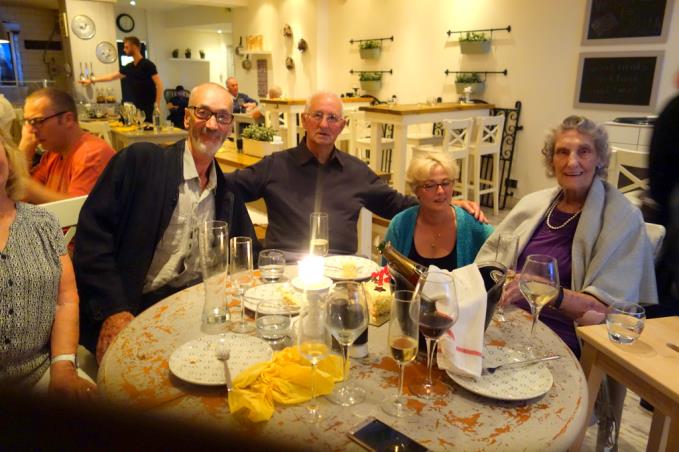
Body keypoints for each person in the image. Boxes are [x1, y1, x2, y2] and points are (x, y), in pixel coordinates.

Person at [73, 83, 258, 363]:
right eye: (203, 113)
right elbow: (92, 238)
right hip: (133, 309)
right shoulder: (140, 162)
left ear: (230, 126)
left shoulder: (226, 193)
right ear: (186, 118)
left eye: (222, 117)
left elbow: (248, 254)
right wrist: (113, 310)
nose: (212, 124)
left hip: (194, 311)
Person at [476, 115, 657, 356]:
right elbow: (490, 260)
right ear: (551, 161)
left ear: (600, 159)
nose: (571, 162)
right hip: (506, 322)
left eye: (583, 151)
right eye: (562, 152)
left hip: (563, 339)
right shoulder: (533, 203)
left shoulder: (622, 219)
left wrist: (549, 291)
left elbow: (608, 311)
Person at [225, 91, 484, 256]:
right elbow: (225, 189)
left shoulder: (355, 171)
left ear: (342, 125)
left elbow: (397, 204)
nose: (324, 124)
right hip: (287, 265)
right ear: (304, 120)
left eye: (333, 118)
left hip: (341, 269)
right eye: (317, 115)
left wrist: (442, 203)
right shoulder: (276, 165)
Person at [0, 130, 96, 398]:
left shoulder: (43, 223)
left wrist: (63, 367)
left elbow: (65, 299)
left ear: (7, 155)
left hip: (39, 372)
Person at [384, 151, 493, 271]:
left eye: (446, 183)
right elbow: (384, 276)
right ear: (416, 190)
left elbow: (504, 247)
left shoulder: (471, 224)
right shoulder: (400, 225)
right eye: (430, 185)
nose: (440, 191)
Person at [18, 88, 114, 204]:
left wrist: (28, 188)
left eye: (38, 121)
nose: (32, 130)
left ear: (68, 119)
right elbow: (20, 194)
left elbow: (77, 211)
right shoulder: (53, 153)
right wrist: (26, 148)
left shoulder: (91, 154)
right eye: (28, 122)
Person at [79, 36, 163, 121]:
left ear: (134, 47)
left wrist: (157, 105)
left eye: (126, 47)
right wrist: (91, 80)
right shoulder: (129, 67)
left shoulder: (147, 64)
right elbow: (111, 77)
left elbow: (159, 84)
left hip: (149, 107)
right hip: (135, 107)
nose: (124, 49)